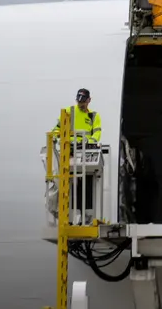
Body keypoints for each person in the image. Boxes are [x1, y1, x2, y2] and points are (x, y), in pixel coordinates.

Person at [50, 88, 103, 224]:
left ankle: (86, 216)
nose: (80, 104)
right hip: (69, 151)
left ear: (89, 100)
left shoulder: (94, 116)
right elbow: (57, 129)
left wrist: (88, 142)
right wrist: (56, 136)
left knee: (86, 184)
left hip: (84, 151)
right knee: (67, 184)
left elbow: (96, 133)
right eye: (79, 101)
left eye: (83, 101)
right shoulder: (69, 112)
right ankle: (66, 217)